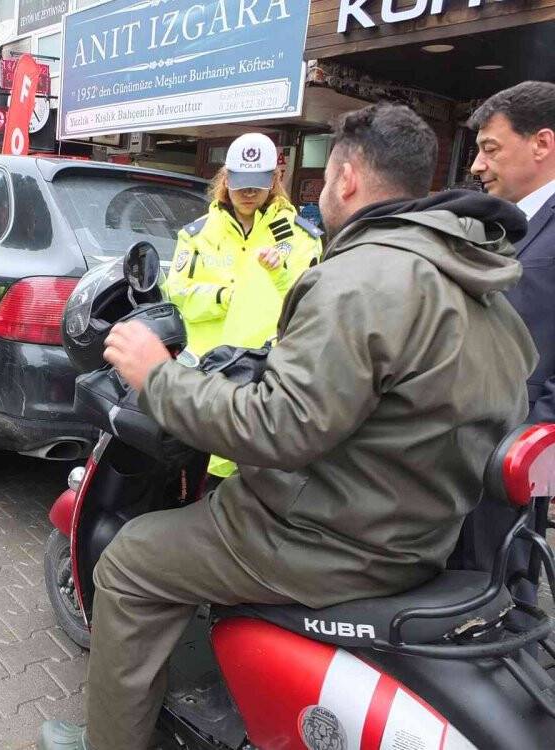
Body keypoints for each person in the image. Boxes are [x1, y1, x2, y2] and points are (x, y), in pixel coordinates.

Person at [39, 103, 537, 750]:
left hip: (332, 538)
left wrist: (157, 376)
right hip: (418, 526)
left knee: (134, 560)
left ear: (348, 176)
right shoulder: (475, 279)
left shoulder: (357, 274)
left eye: (324, 178)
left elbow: (279, 429)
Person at [165, 132, 322, 479]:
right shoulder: (199, 234)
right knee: (193, 481)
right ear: (226, 179)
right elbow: (176, 293)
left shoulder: (298, 238)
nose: (248, 193)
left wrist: (279, 274)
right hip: (204, 376)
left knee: (253, 485)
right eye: (240, 184)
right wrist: (224, 298)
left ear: (274, 180)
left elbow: (311, 305)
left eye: (257, 184)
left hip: (264, 379)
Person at [455, 80, 555, 615]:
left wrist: (532, 446)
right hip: (464, 455)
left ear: (541, 143)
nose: (476, 166)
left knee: (503, 607)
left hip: (512, 460)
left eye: (490, 148)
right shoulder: (500, 224)